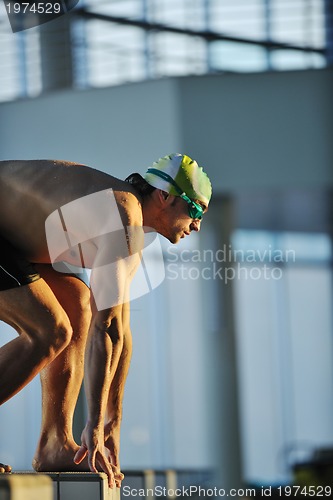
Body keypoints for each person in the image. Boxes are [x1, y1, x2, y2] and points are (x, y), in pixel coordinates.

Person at [0, 153, 212, 488]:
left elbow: (120, 332)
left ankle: (55, 444)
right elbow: (108, 329)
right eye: (196, 210)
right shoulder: (122, 215)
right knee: (49, 331)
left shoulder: (131, 229)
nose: (198, 224)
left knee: (78, 306)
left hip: (13, 241)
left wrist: (112, 421)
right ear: (165, 196)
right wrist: (94, 425)